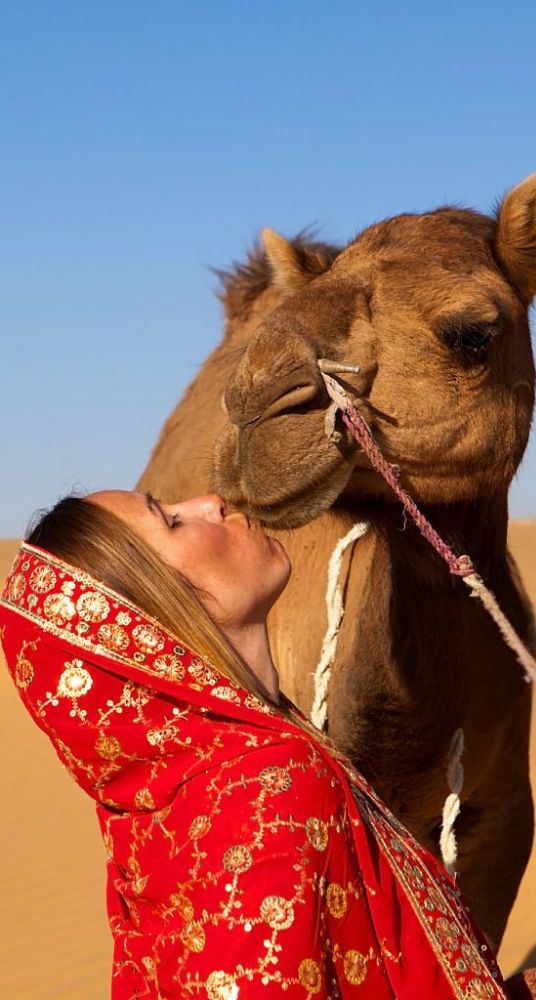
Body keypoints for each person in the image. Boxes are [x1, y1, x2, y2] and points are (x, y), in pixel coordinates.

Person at [0, 489, 530, 999]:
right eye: (174, 521)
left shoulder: (201, 792)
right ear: (157, 619)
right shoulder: (266, 794)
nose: (212, 499)